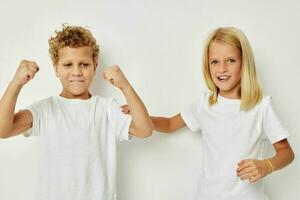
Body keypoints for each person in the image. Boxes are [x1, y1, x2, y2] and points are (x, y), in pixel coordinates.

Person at [122, 27, 294, 200]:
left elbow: (286, 152)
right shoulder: (205, 105)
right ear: (207, 65)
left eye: (231, 60)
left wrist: (267, 165)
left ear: (244, 63)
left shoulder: (261, 107)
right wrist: (140, 115)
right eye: (215, 62)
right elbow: (169, 124)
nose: (222, 69)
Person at [0, 25, 153, 200]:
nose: (76, 72)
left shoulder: (106, 108)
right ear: (56, 68)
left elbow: (145, 130)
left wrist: (126, 87)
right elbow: (2, 130)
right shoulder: (45, 109)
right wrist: (16, 84)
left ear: (95, 67)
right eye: (67, 65)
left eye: (84, 64)